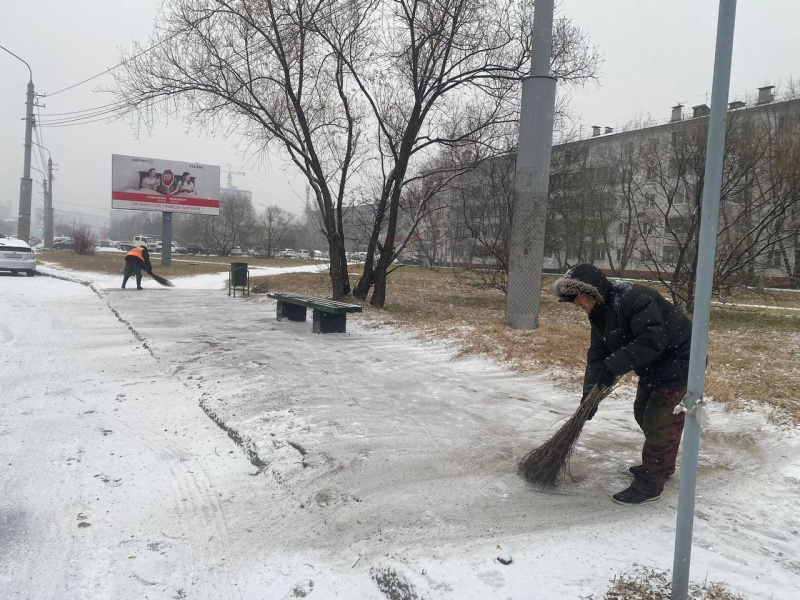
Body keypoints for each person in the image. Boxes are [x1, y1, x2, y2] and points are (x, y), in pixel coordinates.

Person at [552, 264, 693, 505]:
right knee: (642, 414)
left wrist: (615, 364)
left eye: (578, 299)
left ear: (592, 292)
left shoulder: (635, 298)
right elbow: (597, 355)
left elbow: (652, 340)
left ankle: (650, 485)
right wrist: (590, 395)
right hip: (653, 366)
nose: (577, 305)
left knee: (657, 422)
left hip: (680, 360)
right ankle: (662, 465)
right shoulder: (599, 314)